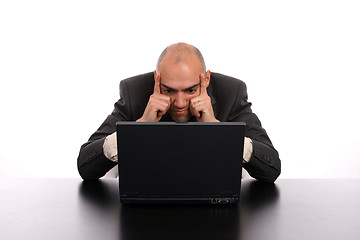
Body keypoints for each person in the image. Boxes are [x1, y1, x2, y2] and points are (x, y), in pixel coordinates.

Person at [77, 42, 281, 182]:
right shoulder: (135, 92)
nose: (181, 102)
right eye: (169, 90)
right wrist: (138, 127)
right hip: (146, 208)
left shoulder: (230, 93)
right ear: (156, 78)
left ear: (206, 79)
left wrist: (218, 131)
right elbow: (86, 166)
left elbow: (271, 169)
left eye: (191, 90)